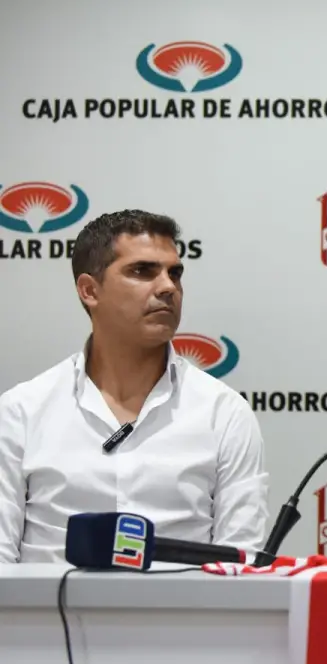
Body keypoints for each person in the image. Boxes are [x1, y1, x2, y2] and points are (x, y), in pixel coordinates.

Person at [0, 210, 269, 563]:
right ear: (89, 290)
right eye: (143, 271)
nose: (168, 287)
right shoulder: (21, 411)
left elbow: (241, 564)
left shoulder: (224, 413)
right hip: (47, 617)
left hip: (182, 617)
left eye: (175, 273)